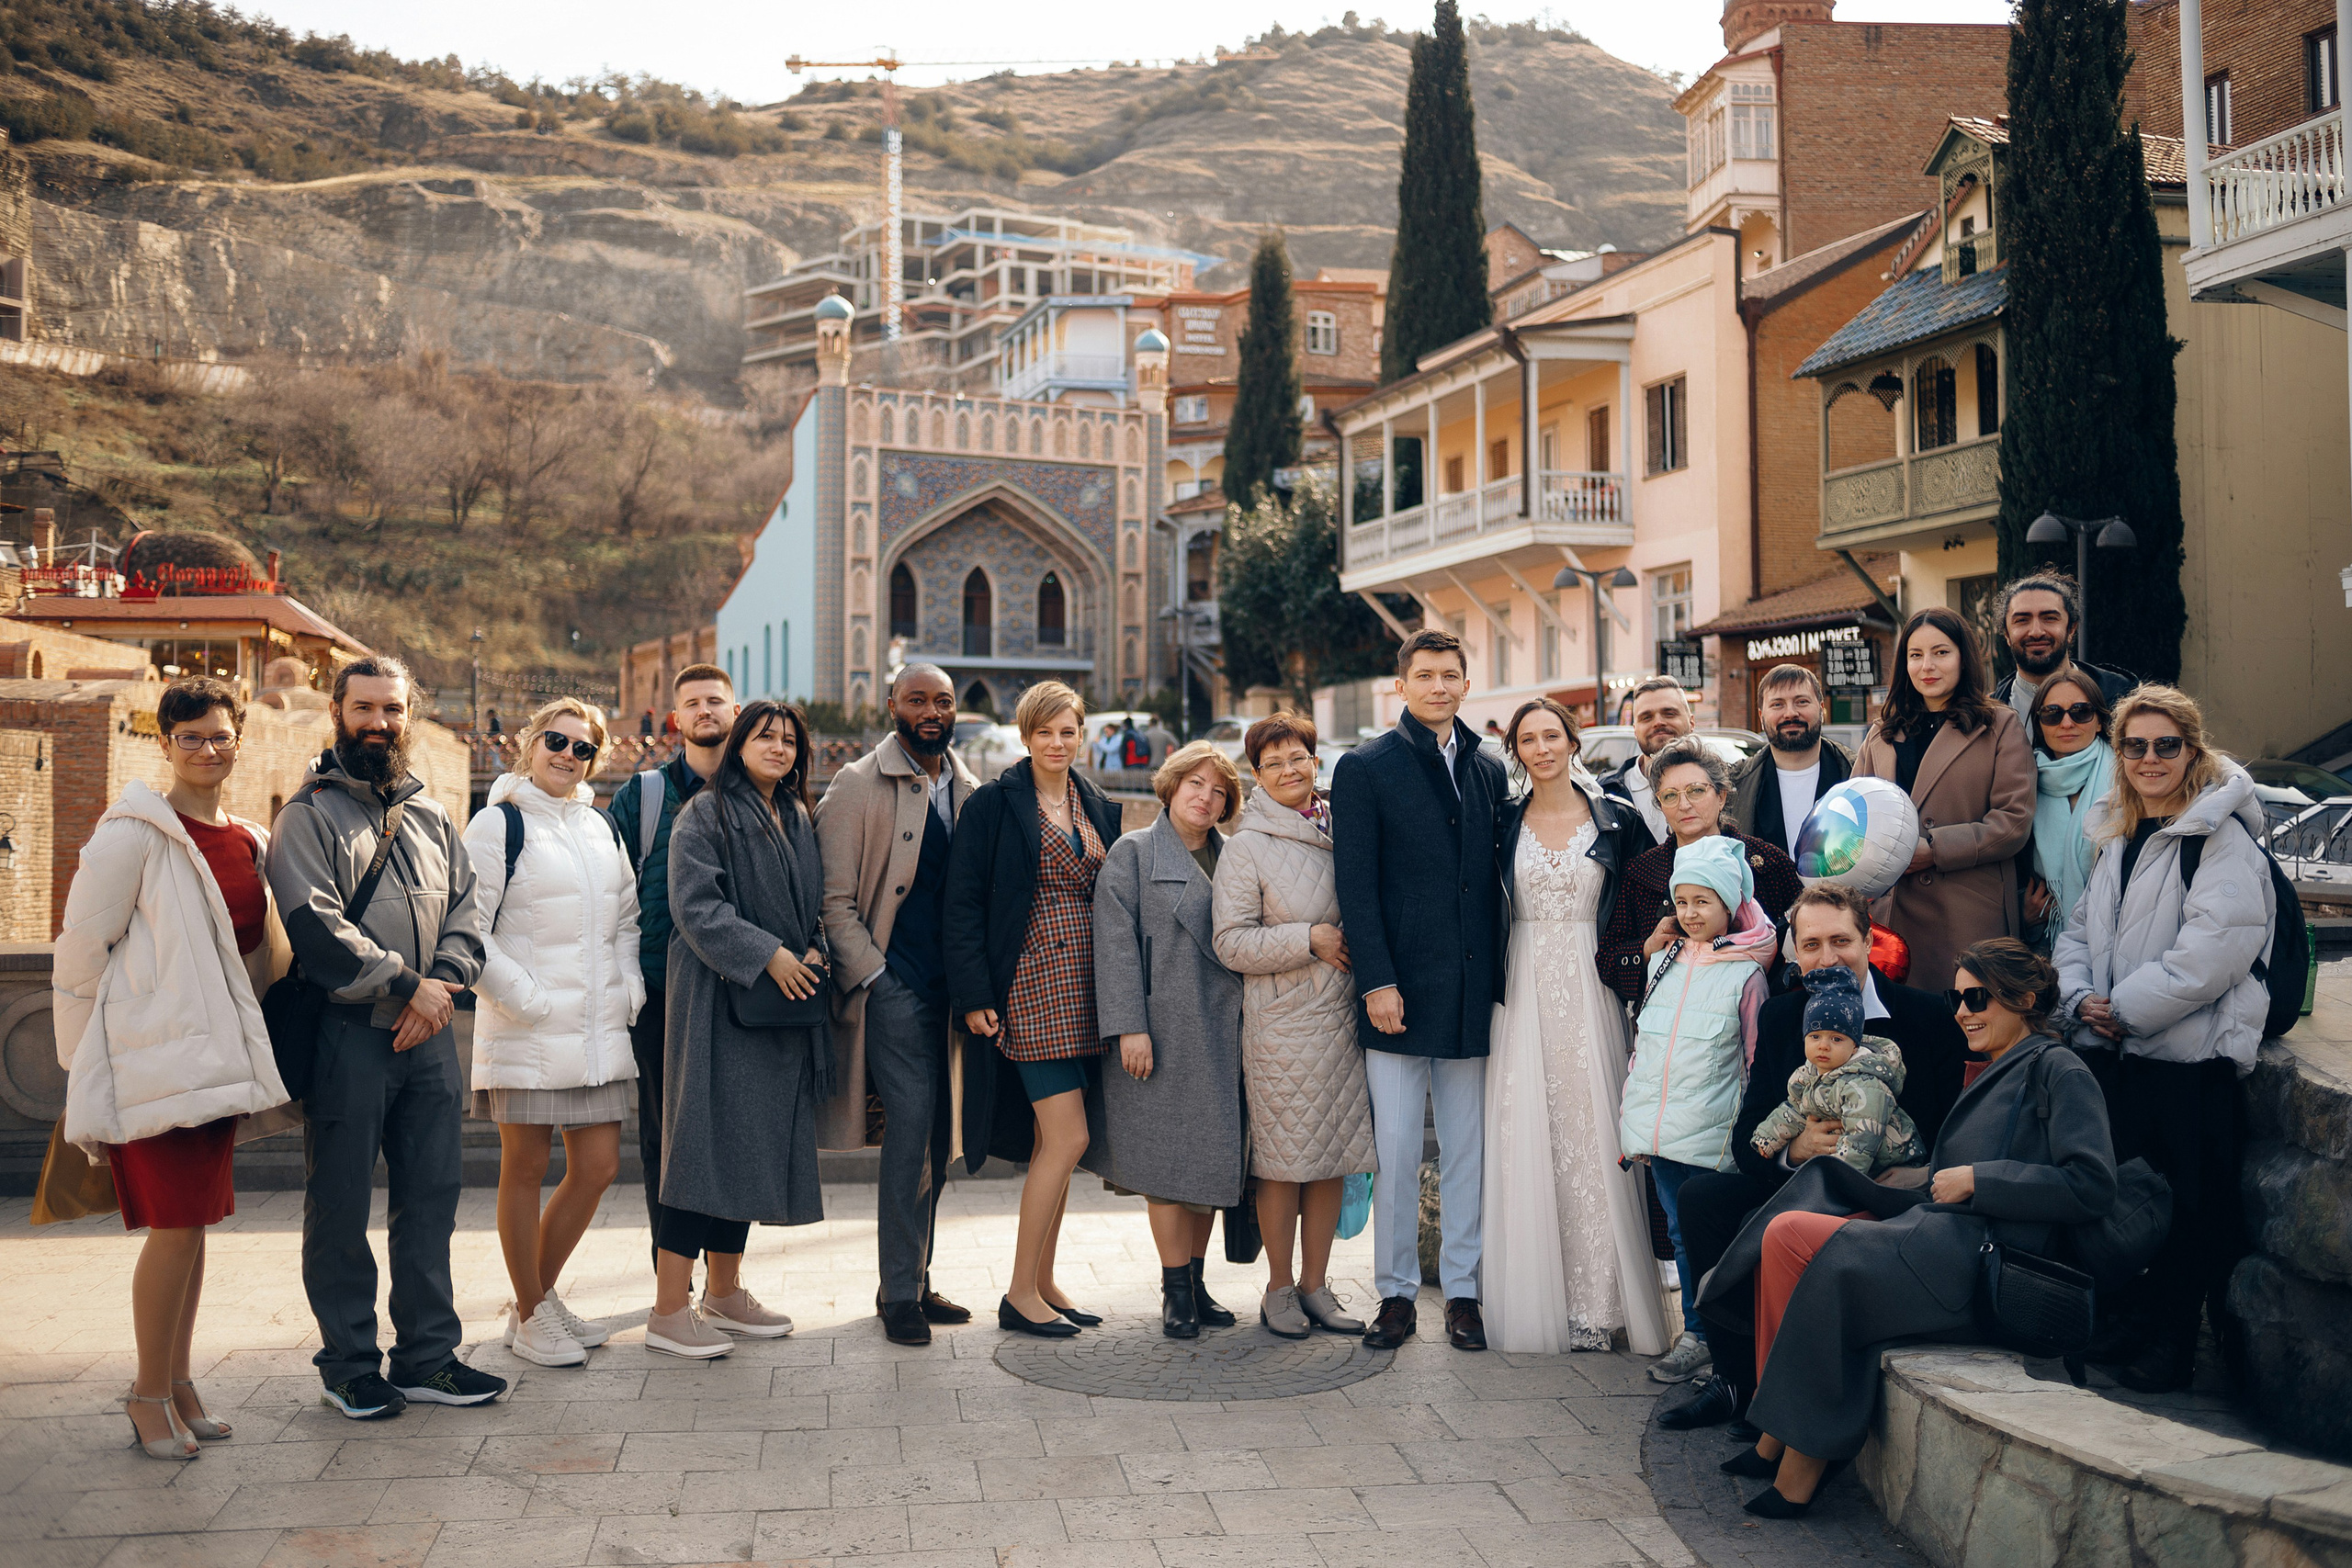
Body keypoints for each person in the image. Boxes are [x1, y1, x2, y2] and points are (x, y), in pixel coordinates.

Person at [1700, 940, 2114, 1519]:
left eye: (1977, 998)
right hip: (1941, 1232)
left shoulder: (2058, 1068)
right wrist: (1926, 1176)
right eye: (1956, 998)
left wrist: (1980, 1180)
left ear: (2022, 999)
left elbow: (2092, 1184)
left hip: (1980, 1261)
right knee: (1788, 1230)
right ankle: (1775, 1430)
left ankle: (1803, 1465)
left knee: (1835, 1262)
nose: (1962, 1012)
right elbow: (1959, 1165)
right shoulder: (1999, 1064)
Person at [53, 678, 293, 1459]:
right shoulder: (133, 834)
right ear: (165, 744)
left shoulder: (249, 839)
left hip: (214, 1067)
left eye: (220, 735)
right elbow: (79, 953)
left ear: (239, 740)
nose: (207, 749)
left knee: (192, 1230)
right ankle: (146, 1394)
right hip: (151, 1066)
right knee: (174, 1230)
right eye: (190, 736)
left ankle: (179, 1384)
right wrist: (81, 1069)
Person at [267, 656, 503, 1419]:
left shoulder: (432, 814)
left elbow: (468, 911)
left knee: (431, 1201)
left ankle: (428, 1357)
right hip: (350, 1037)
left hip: (429, 1040)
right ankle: (348, 1365)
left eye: (392, 709)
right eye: (364, 707)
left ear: (410, 716)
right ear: (337, 711)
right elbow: (315, 928)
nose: (379, 722)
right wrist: (409, 985)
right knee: (339, 1204)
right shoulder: (307, 815)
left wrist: (442, 987)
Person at [1656, 884, 1966, 1436]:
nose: (1828, 957)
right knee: (1702, 1199)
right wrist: (1795, 1150)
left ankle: (1790, 1399)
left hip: (1889, 1187)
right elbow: (1749, 1135)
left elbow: (1950, 1131)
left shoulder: (1926, 1017)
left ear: (1869, 940)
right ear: (1795, 953)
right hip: (1801, 1178)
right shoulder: (1782, 1017)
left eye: (1841, 941)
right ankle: (1734, 1379)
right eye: (1812, 944)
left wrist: (1915, 1172)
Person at [2055, 684, 2273, 1393]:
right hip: (2122, 1052)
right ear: (2119, 753)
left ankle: (2174, 1343)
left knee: (2190, 1209)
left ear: (2191, 749)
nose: (2150, 758)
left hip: (2190, 1058)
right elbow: (2078, 932)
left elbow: (2214, 953)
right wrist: (2079, 997)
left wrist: (2122, 1008)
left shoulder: (2220, 838)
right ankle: (2131, 1322)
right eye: (2135, 745)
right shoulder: (2119, 835)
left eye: (2166, 745)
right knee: (2130, 1204)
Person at [1331, 627, 1509, 1353]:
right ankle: (1396, 1294)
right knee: (1399, 1150)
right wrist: (1377, 979)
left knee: (1467, 1149)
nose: (1439, 686)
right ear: (1400, 686)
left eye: (1450, 674)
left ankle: (1462, 1292)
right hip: (1396, 991)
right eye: (1425, 674)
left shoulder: (1489, 766)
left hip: (1469, 988)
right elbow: (1356, 885)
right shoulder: (1365, 766)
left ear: (1466, 683)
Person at [1480, 698, 1670, 1356]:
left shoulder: (1616, 820)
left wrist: (1647, 954)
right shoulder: (1501, 821)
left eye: (1551, 735)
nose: (1541, 748)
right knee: (1527, 1132)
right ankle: (1540, 1300)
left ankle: (1601, 1302)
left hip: (1592, 989)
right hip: (1521, 989)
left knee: (1595, 1136)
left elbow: (1648, 898)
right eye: (1527, 739)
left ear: (1572, 741)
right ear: (1516, 751)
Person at [461, 698, 640, 1369]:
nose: (567, 755)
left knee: (598, 1167)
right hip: (526, 1028)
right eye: (556, 741)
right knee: (526, 1168)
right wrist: (528, 1001)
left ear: (596, 758)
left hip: (596, 1029)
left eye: (582, 747)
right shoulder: (497, 823)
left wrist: (628, 984)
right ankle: (534, 1311)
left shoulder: (601, 827)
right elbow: (468, 931)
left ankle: (531, 1302)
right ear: (530, 743)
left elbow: (628, 919)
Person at [944, 681, 1125, 1337]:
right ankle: (1019, 1291)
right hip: (1030, 985)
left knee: (1058, 1143)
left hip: (1088, 988)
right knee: (1069, 1136)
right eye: (1044, 731)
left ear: (1081, 736)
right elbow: (962, 903)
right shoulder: (994, 804)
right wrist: (974, 995)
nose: (1056, 742)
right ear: (1025, 736)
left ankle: (1044, 1281)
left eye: (1067, 731)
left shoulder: (1097, 804)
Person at [650, 700, 831, 1357]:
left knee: (747, 1145)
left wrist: (813, 950)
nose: (779, 748)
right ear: (739, 744)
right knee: (701, 1147)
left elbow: (814, 907)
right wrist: (768, 954)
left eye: (789, 740)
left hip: (778, 1004)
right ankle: (668, 1309)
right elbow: (694, 906)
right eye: (765, 737)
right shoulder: (705, 812)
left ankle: (723, 1292)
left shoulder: (797, 814)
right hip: (716, 1001)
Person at [812, 663, 978, 1346]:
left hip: (953, 994)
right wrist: (876, 978)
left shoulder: (969, 788)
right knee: (910, 1133)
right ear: (891, 705)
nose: (932, 710)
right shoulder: (856, 784)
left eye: (943, 700)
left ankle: (915, 1275)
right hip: (894, 988)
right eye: (917, 699)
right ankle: (899, 1293)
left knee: (940, 1138)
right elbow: (832, 901)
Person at [1213, 712, 1375, 1339]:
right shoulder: (1248, 845)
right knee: (1282, 1160)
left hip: (1344, 1018)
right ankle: (1278, 1286)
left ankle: (1316, 1284)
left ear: (1316, 760)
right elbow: (1230, 942)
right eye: (1273, 762)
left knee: (1333, 1154)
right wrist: (1309, 938)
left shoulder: (1344, 824)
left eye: (1298, 757)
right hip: (1282, 1025)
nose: (1289, 770)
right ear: (1256, 775)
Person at [1095, 741, 1250, 1337]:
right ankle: (1175, 1288)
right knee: (1164, 1164)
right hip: (1159, 1030)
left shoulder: (1235, 857)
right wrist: (1129, 1027)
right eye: (1195, 783)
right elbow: (1114, 948)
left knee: (1209, 1162)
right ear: (1171, 785)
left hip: (1223, 1030)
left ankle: (1198, 1281)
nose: (1205, 797)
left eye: (1218, 790)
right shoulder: (1133, 853)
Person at [1617, 836, 1773, 1383]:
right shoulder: (1664, 962)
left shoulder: (1747, 976)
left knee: (1709, 1237)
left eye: (1703, 901)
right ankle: (1696, 1333)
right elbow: (1647, 1045)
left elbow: (1754, 1062)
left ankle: (1712, 1336)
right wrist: (1634, 1121)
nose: (1690, 913)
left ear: (1728, 903)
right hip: (1661, 1134)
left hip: (1712, 1136)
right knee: (1681, 1235)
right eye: (1681, 902)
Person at [605, 666, 736, 1280]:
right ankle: (670, 1282)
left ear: (734, 711)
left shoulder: (761, 788)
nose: (705, 710)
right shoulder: (645, 795)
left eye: (716, 700)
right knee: (665, 1136)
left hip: (740, 991)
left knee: (735, 1130)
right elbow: (609, 890)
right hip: (661, 990)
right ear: (675, 718)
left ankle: (724, 1280)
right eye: (693, 703)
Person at [1854, 605, 2036, 994]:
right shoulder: (1882, 733)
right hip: (1892, 916)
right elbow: (1854, 818)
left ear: (1963, 657)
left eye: (1941, 652)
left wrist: (1935, 849)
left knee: (1967, 1018)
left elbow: (2013, 822)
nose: (1927, 666)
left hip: (1966, 913)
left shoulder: (1999, 725)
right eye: (1915, 655)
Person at [1597, 736, 1801, 1007]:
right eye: (1670, 796)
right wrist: (1647, 948)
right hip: (1671, 1023)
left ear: (1721, 796)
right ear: (1660, 806)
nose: (1684, 805)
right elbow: (1608, 961)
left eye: (1696, 791)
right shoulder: (1641, 873)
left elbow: (1803, 942)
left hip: (1758, 1015)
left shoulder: (1767, 863)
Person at [1749, 967, 1923, 1176]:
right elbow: (1794, 1109)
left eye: (1837, 1039)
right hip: (1849, 1164)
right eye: (1815, 1037)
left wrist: (1840, 1178)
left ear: (1855, 1047)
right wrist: (1768, 1137)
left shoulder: (1865, 1084)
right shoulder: (1808, 1075)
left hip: (1890, 1165)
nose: (1824, 1046)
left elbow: (1863, 1138)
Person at [2021, 665, 2117, 956]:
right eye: (2052, 713)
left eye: (2080, 712)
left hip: (2118, 930)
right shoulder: (2023, 782)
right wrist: (2026, 918)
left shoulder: (2127, 777)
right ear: (2039, 724)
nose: (2066, 723)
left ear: (2099, 722)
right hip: (2049, 943)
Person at [1727, 665, 1853, 861]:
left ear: (1822, 709)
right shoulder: (1734, 786)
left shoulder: (1857, 773)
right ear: (1761, 716)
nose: (1790, 713)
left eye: (1801, 702)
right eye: (1777, 704)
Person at [1993, 573, 2138, 728]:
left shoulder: (2121, 698)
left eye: (2049, 618)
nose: (2036, 632)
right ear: (2006, 634)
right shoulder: (1987, 716)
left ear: (2071, 629)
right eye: (2022, 620)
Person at [1606, 677, 1694, 845]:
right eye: (1646, 717)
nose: (1658, 722)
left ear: (1692, 722)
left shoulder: (1722, 785)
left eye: (1669, 713)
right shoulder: (1607, 795)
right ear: (1635, 730)